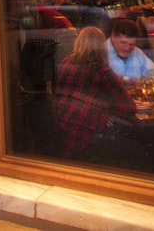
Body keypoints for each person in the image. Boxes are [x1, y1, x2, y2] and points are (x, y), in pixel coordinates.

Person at [54, 27, 137, 159]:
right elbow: (129, 107)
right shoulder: (102, 72)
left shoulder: (65, 63)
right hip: (88, 137)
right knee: (140, 140)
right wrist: (106, 110)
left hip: (64, 131)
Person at [106, 17, 154, 83]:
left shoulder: (137, 52)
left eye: (131, 44)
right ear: (113, 36)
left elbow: (153, 73)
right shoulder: (100, 53)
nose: (127, 48)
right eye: (123, 43)